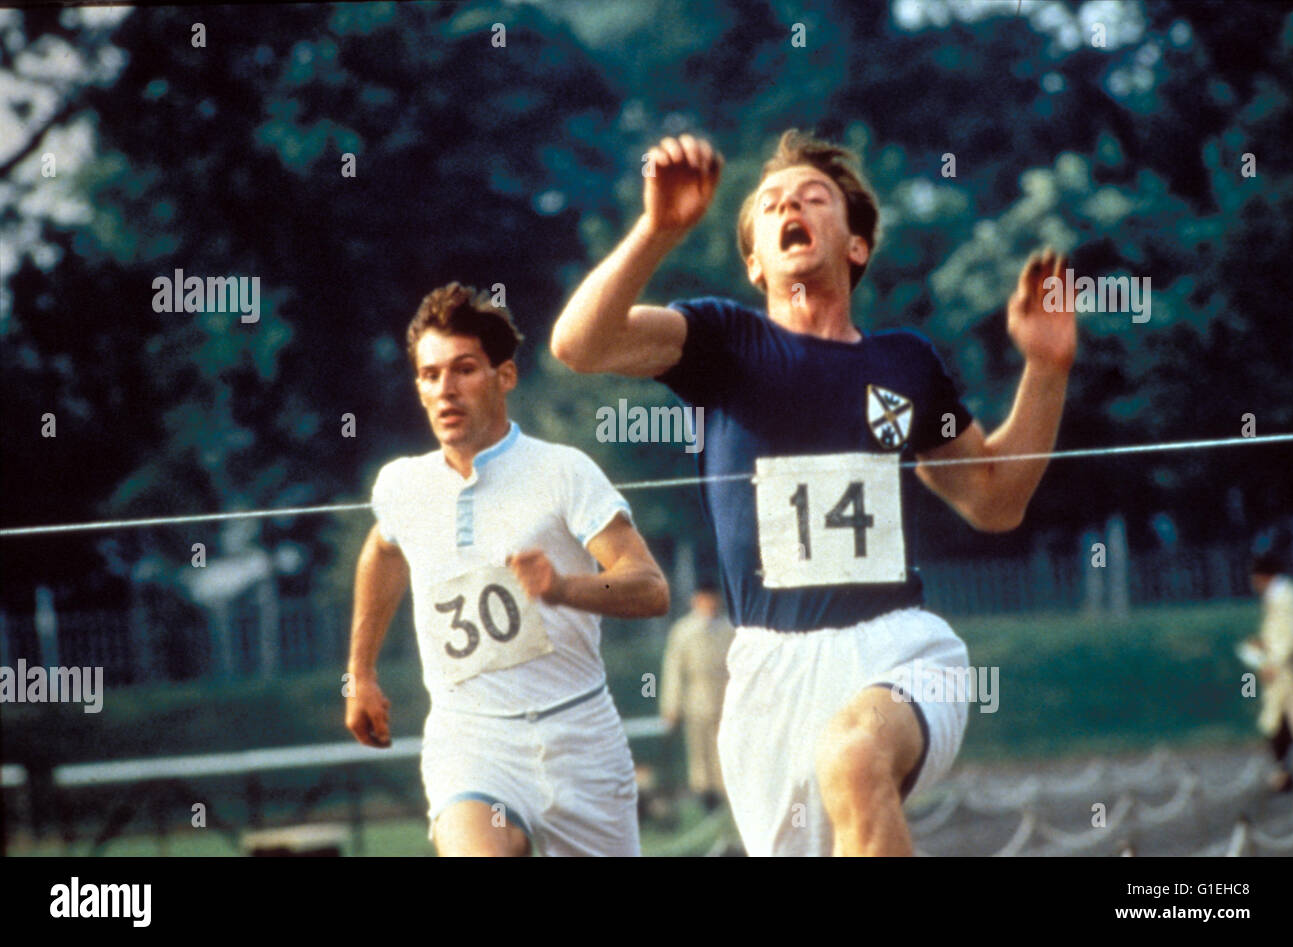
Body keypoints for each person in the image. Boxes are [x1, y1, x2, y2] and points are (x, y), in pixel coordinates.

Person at [550, 129, 1076, 856]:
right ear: (755, 261)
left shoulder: (907, 362)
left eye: (812, 196)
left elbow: (993, 499)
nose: (789, 203)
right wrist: (657, 230)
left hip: (899, 648)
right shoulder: (722, 341)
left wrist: (1045, 371)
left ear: (855, 246)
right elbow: (579, 344)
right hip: (773, 673)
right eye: (769, 204)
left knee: (854, 757)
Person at [345, 282, 670, 856]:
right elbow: (383, 552)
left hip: (581, 737)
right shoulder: (402, 485)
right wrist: (361, 674)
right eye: (430, 375)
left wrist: (566, 588)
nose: (445, 390)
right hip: (472, 739)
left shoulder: (564, 472)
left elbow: (650, 588)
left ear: (506, 376)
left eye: (464, 369)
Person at [660, 581, 735, 810]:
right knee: (700, 756)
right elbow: (673, 670)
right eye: (704, 598)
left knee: (724, 753)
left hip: (725, 698)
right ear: (696, 600)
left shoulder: (729, 628)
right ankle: (706, 802)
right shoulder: (683, 631)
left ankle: (727, 803)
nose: (709, 603)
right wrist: (671, 706)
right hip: (696, 699)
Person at [1246, 551, 1293, 792]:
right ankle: (1283, 772)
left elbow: (1291, 637)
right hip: (1281, 678)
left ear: (1264, 576)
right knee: (1276, 724)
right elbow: (1277, 634)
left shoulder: (1286, 597)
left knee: (1288, 723)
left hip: (1290, 674)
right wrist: (1262, 644)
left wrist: (1273, 663)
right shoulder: (1276, 596)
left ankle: (1283, 773)